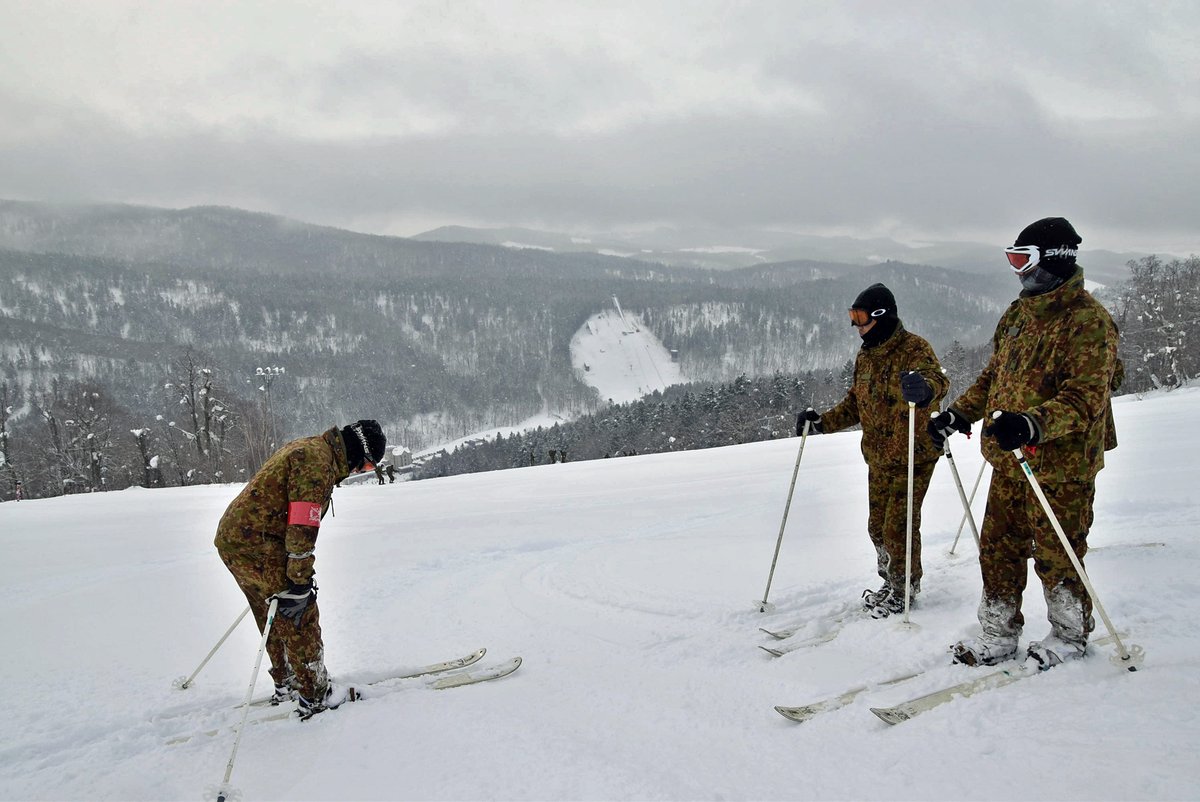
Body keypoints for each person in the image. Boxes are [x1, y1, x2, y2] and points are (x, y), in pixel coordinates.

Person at [928, 217, 1120, 670]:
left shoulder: (1089, 322)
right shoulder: (1018, 314)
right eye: (1012, 260)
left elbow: (1084, 399)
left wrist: (1032, 424)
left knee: (1058, 552)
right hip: (1010, 458)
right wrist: (959, 413)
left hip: (1063, 465)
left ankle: (1070, 635)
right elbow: (995, 376)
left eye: (1024, 260)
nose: (1018, 271)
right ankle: (998, 630)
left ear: (1053, 260)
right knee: (998, 548)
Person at [214, 419, 386, 718]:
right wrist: (300, 580)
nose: (361, 473)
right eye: (368, 466)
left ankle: (288, 682)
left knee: (271, 613)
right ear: (359, 453)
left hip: (237, 542)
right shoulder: (316, 463)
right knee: (298, 614)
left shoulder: (313, 447)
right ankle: (315, 695)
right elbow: (302, 526)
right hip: (259, 545)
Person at [797, 283, 949, 617]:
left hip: (913, 455)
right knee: (876, 526)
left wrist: (925, 389)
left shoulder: (913, 348)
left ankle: (904, 587)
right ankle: (889, 581)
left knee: (899, 525)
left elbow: (937, 380)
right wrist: (822, 423)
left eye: (861, 316)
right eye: (853, 316)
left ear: (881, 315)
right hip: (879, 457)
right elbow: (856, 402)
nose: (856, 325)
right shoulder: (866, 356)